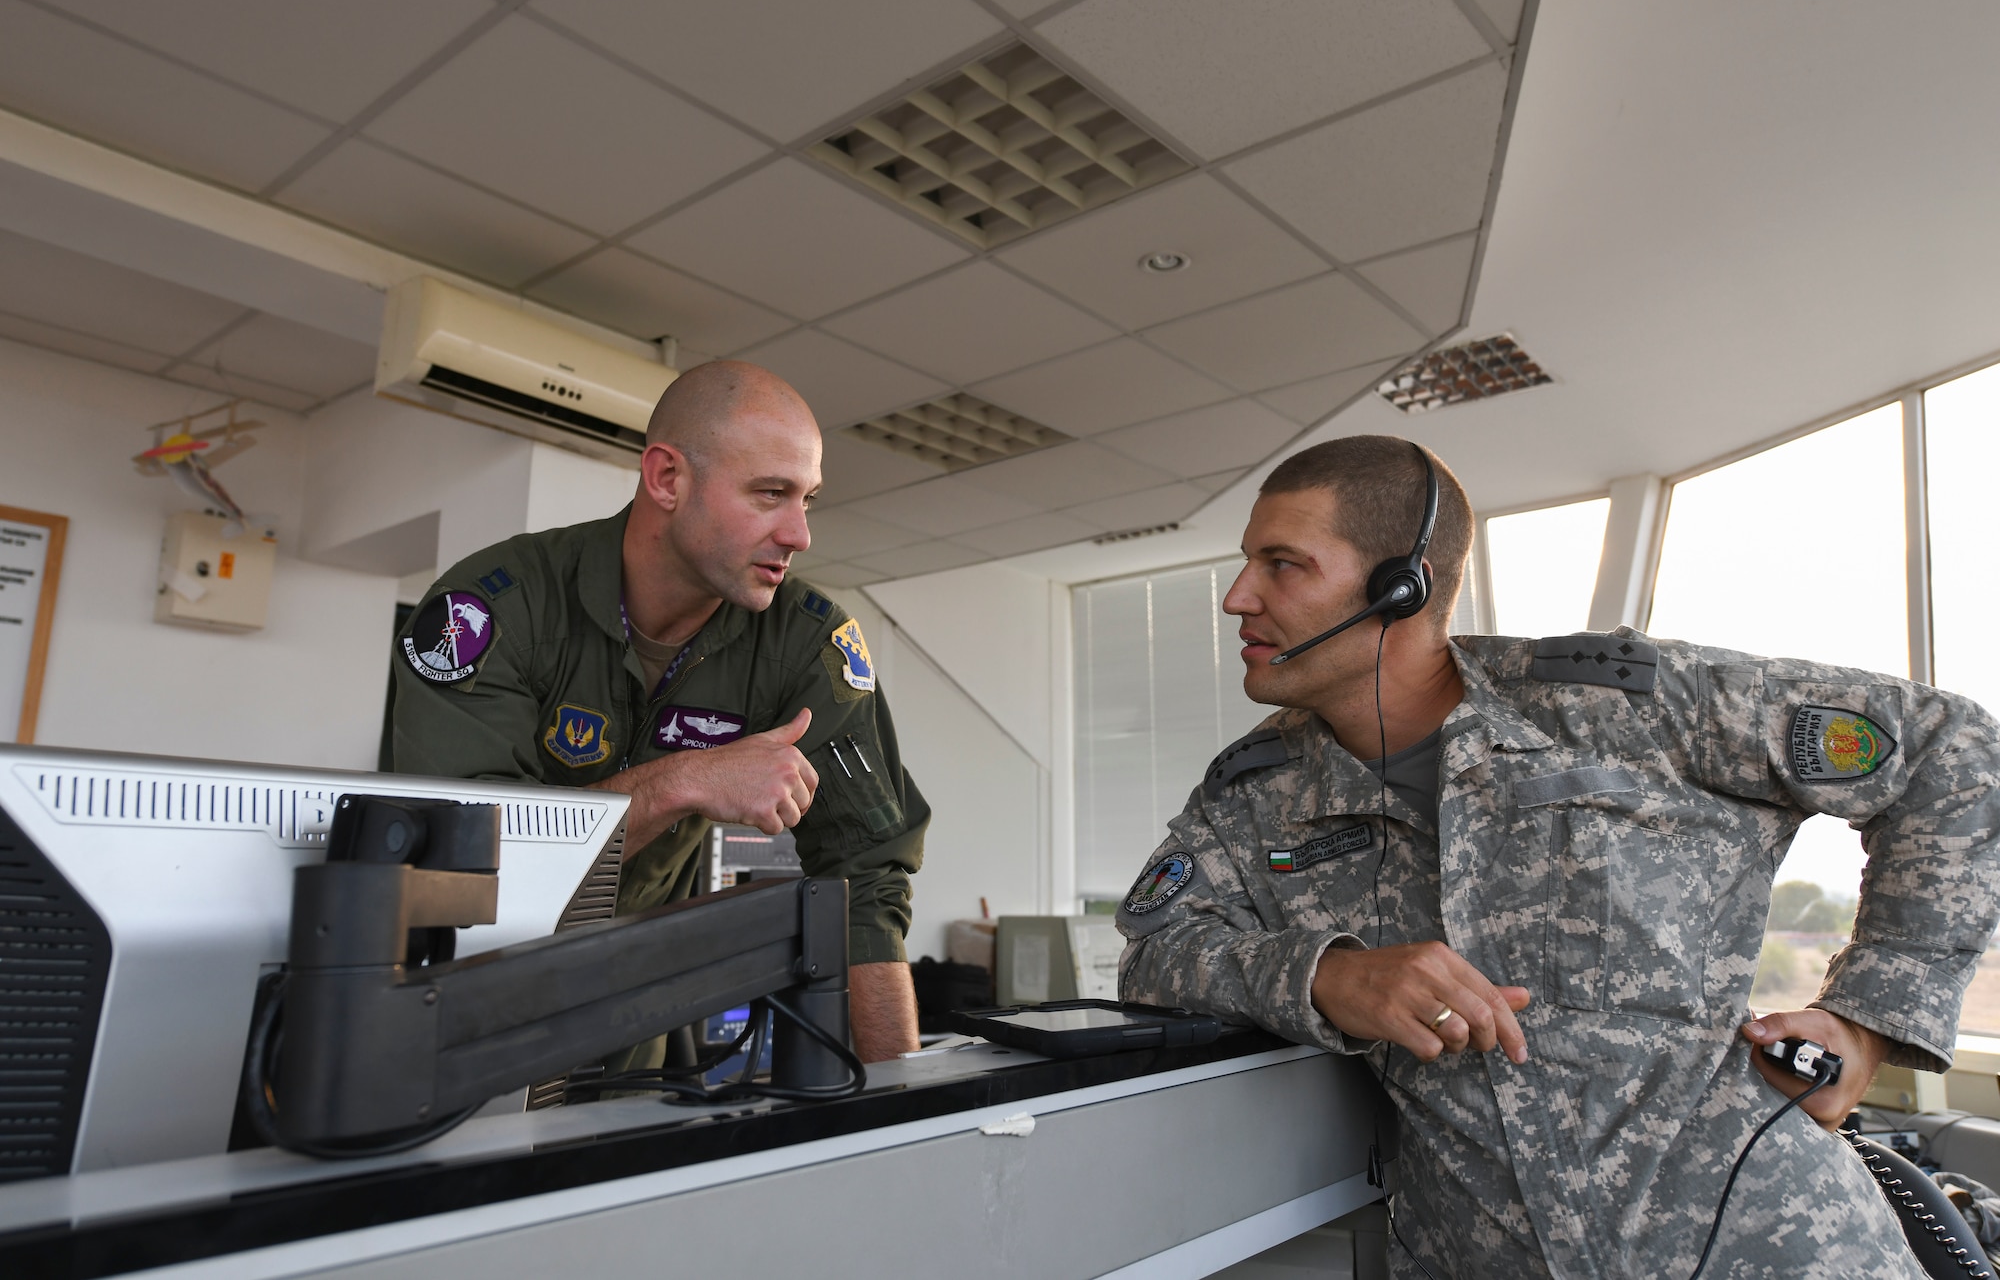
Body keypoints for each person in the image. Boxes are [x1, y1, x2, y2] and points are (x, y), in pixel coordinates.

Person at [1116, 434, 2000, 1277]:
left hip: (1769, 1246)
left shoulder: (1625, 708)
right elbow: (1156, 955)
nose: (1237, 597)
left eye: (1283, 564)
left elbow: (1952, 753)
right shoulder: (1253, 796)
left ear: (1401, 587)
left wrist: (1866, 1017)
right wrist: (1325, 978)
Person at [390, 360, 926, 1065]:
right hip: (464, 1018)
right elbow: (472, 865)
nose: (799, 533)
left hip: (633, 1033)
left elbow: (867, 884)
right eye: (770, 493)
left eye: (808, 499)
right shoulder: (491, 610)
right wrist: (680, 782)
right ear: (667, 478)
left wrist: (901, 1108)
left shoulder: (804, 640)